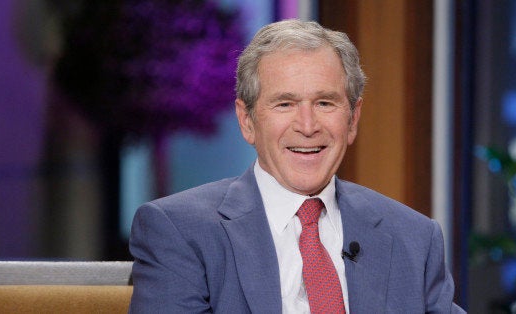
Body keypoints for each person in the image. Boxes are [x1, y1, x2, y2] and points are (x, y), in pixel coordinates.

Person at [129, 19, 465, 313]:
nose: (307, 125)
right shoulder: (180, 232)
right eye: (285, 104)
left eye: (324, 102)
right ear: (247, 121)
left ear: (352, 120)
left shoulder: (414, 238)